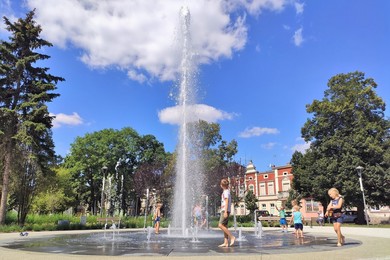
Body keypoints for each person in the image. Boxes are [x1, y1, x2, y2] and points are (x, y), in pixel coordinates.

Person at [218, 178, 235, 247]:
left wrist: (225, 212)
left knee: (220, 225)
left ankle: (232, 237)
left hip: (225, 211)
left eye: (221, 184)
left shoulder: (225, 192)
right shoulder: (227, 191)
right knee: (225, 226)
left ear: (222, 185)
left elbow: (227, 201)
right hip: (226, 210)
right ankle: (226, 242)